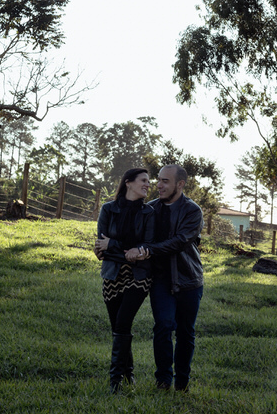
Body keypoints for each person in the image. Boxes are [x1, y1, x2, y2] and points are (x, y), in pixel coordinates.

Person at [125, 164, 203, 392]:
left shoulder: (193, 211)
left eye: (165, 181)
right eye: (158, 180)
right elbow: (133, 234)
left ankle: (182, 383)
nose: (158, 185)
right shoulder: (149, 209)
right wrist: (108, 244)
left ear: (180, 184)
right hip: (161, 280)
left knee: (186, 333)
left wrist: (147, 251)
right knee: (163, 326)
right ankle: (163, 382)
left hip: (190, 280)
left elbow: (180, 241)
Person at [94, 168, 154, 394]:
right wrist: (123, 251)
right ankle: (128, 373)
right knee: (118, 326)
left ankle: (115, 382)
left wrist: (114, 246)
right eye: (144, 181)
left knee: (123, 322)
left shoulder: (149, 213)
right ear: (128, 183)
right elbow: (101, 248)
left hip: (139, 277)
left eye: (149, 181)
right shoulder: (108, 209)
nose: (148, 185)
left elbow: (148, 247)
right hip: (112, 275)